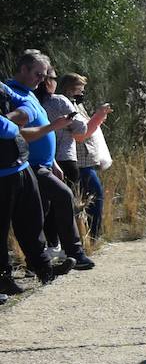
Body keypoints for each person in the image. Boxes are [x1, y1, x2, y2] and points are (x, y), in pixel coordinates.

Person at [6, 51, 94, 270]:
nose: (41, 80)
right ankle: (74, 253)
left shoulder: (30, 93)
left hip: (43, 165)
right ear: (23, 69)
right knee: (63, 196)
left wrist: (52, 161)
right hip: (28, 167)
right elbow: (18, 132)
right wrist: (55, 126)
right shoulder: (10, 94)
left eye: (45, 76)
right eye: (37, 74)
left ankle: (40, 263)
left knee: (37, 216)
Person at [1, 82, 73, 292]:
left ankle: (44, 269)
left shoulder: (2, 87)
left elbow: (27, 106)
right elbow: (8, 130)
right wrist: (17, 122)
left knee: (32, 221)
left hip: (20, 167)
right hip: (2, 177)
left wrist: (15, 117)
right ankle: (3, 279)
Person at [61, 73, 114, 240]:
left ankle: (90, 236)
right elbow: (80, 135)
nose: (82, 93)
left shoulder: (78, 105)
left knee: (88, 200)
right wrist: (98, 116)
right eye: (79, 89)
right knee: (94, 198)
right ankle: (93, 237)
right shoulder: (67, 106)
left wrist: (99, 117)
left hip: (86, 160)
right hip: (79, 162)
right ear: (69, 89)